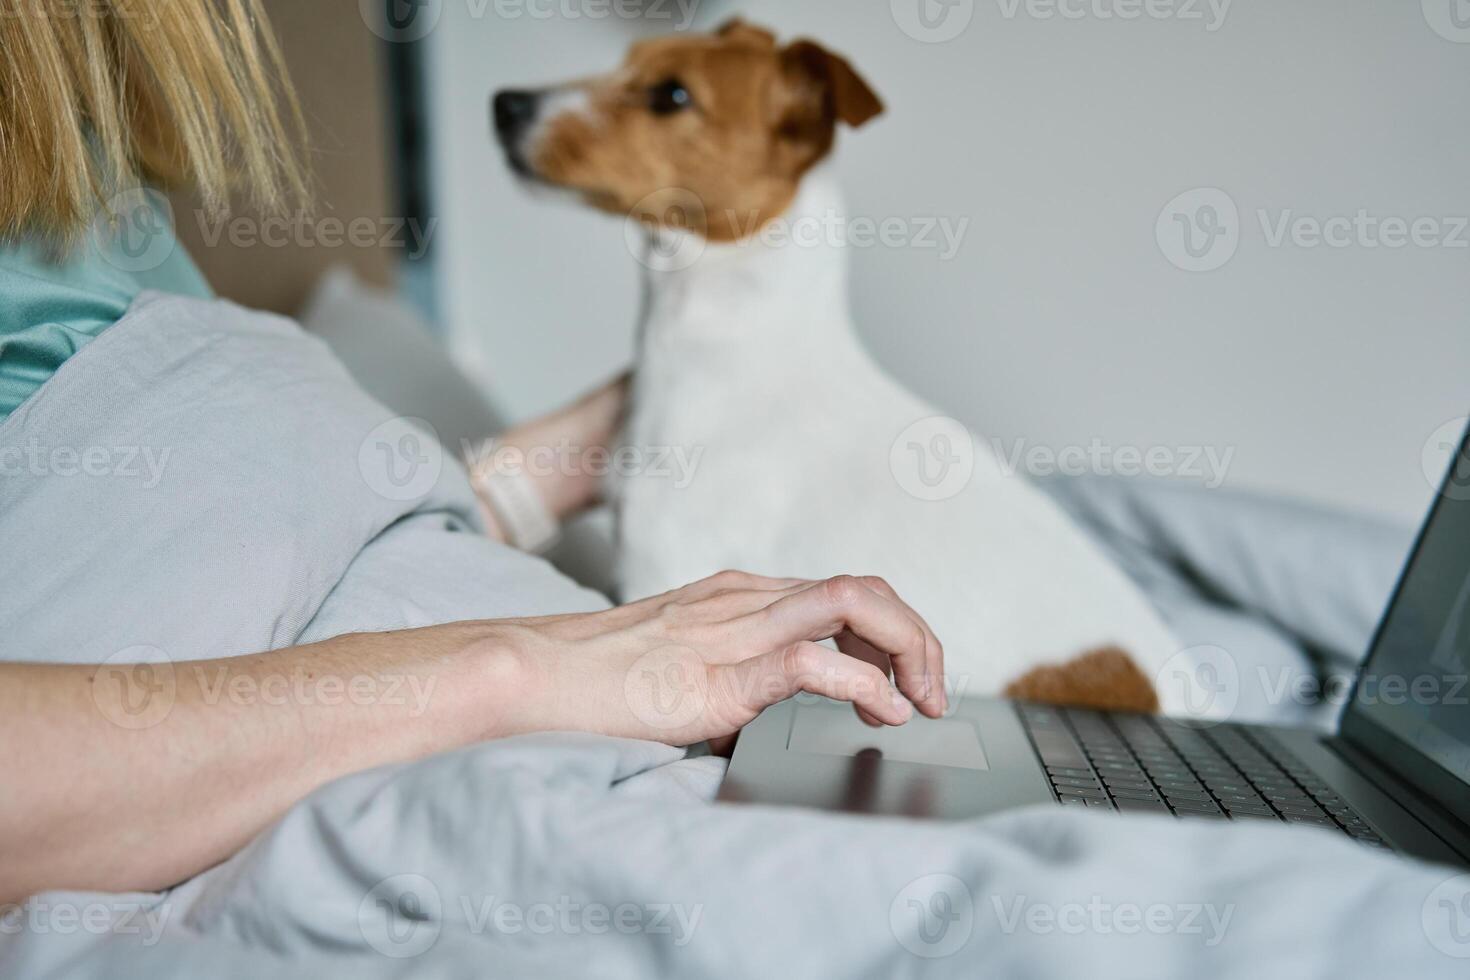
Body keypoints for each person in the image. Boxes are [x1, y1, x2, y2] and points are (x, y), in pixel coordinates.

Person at [0, 1, 944, 906]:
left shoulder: (74, 126)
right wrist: (514, 669)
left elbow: (273, 524)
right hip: (475, 745)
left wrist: (554, 467)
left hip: (543, 681)